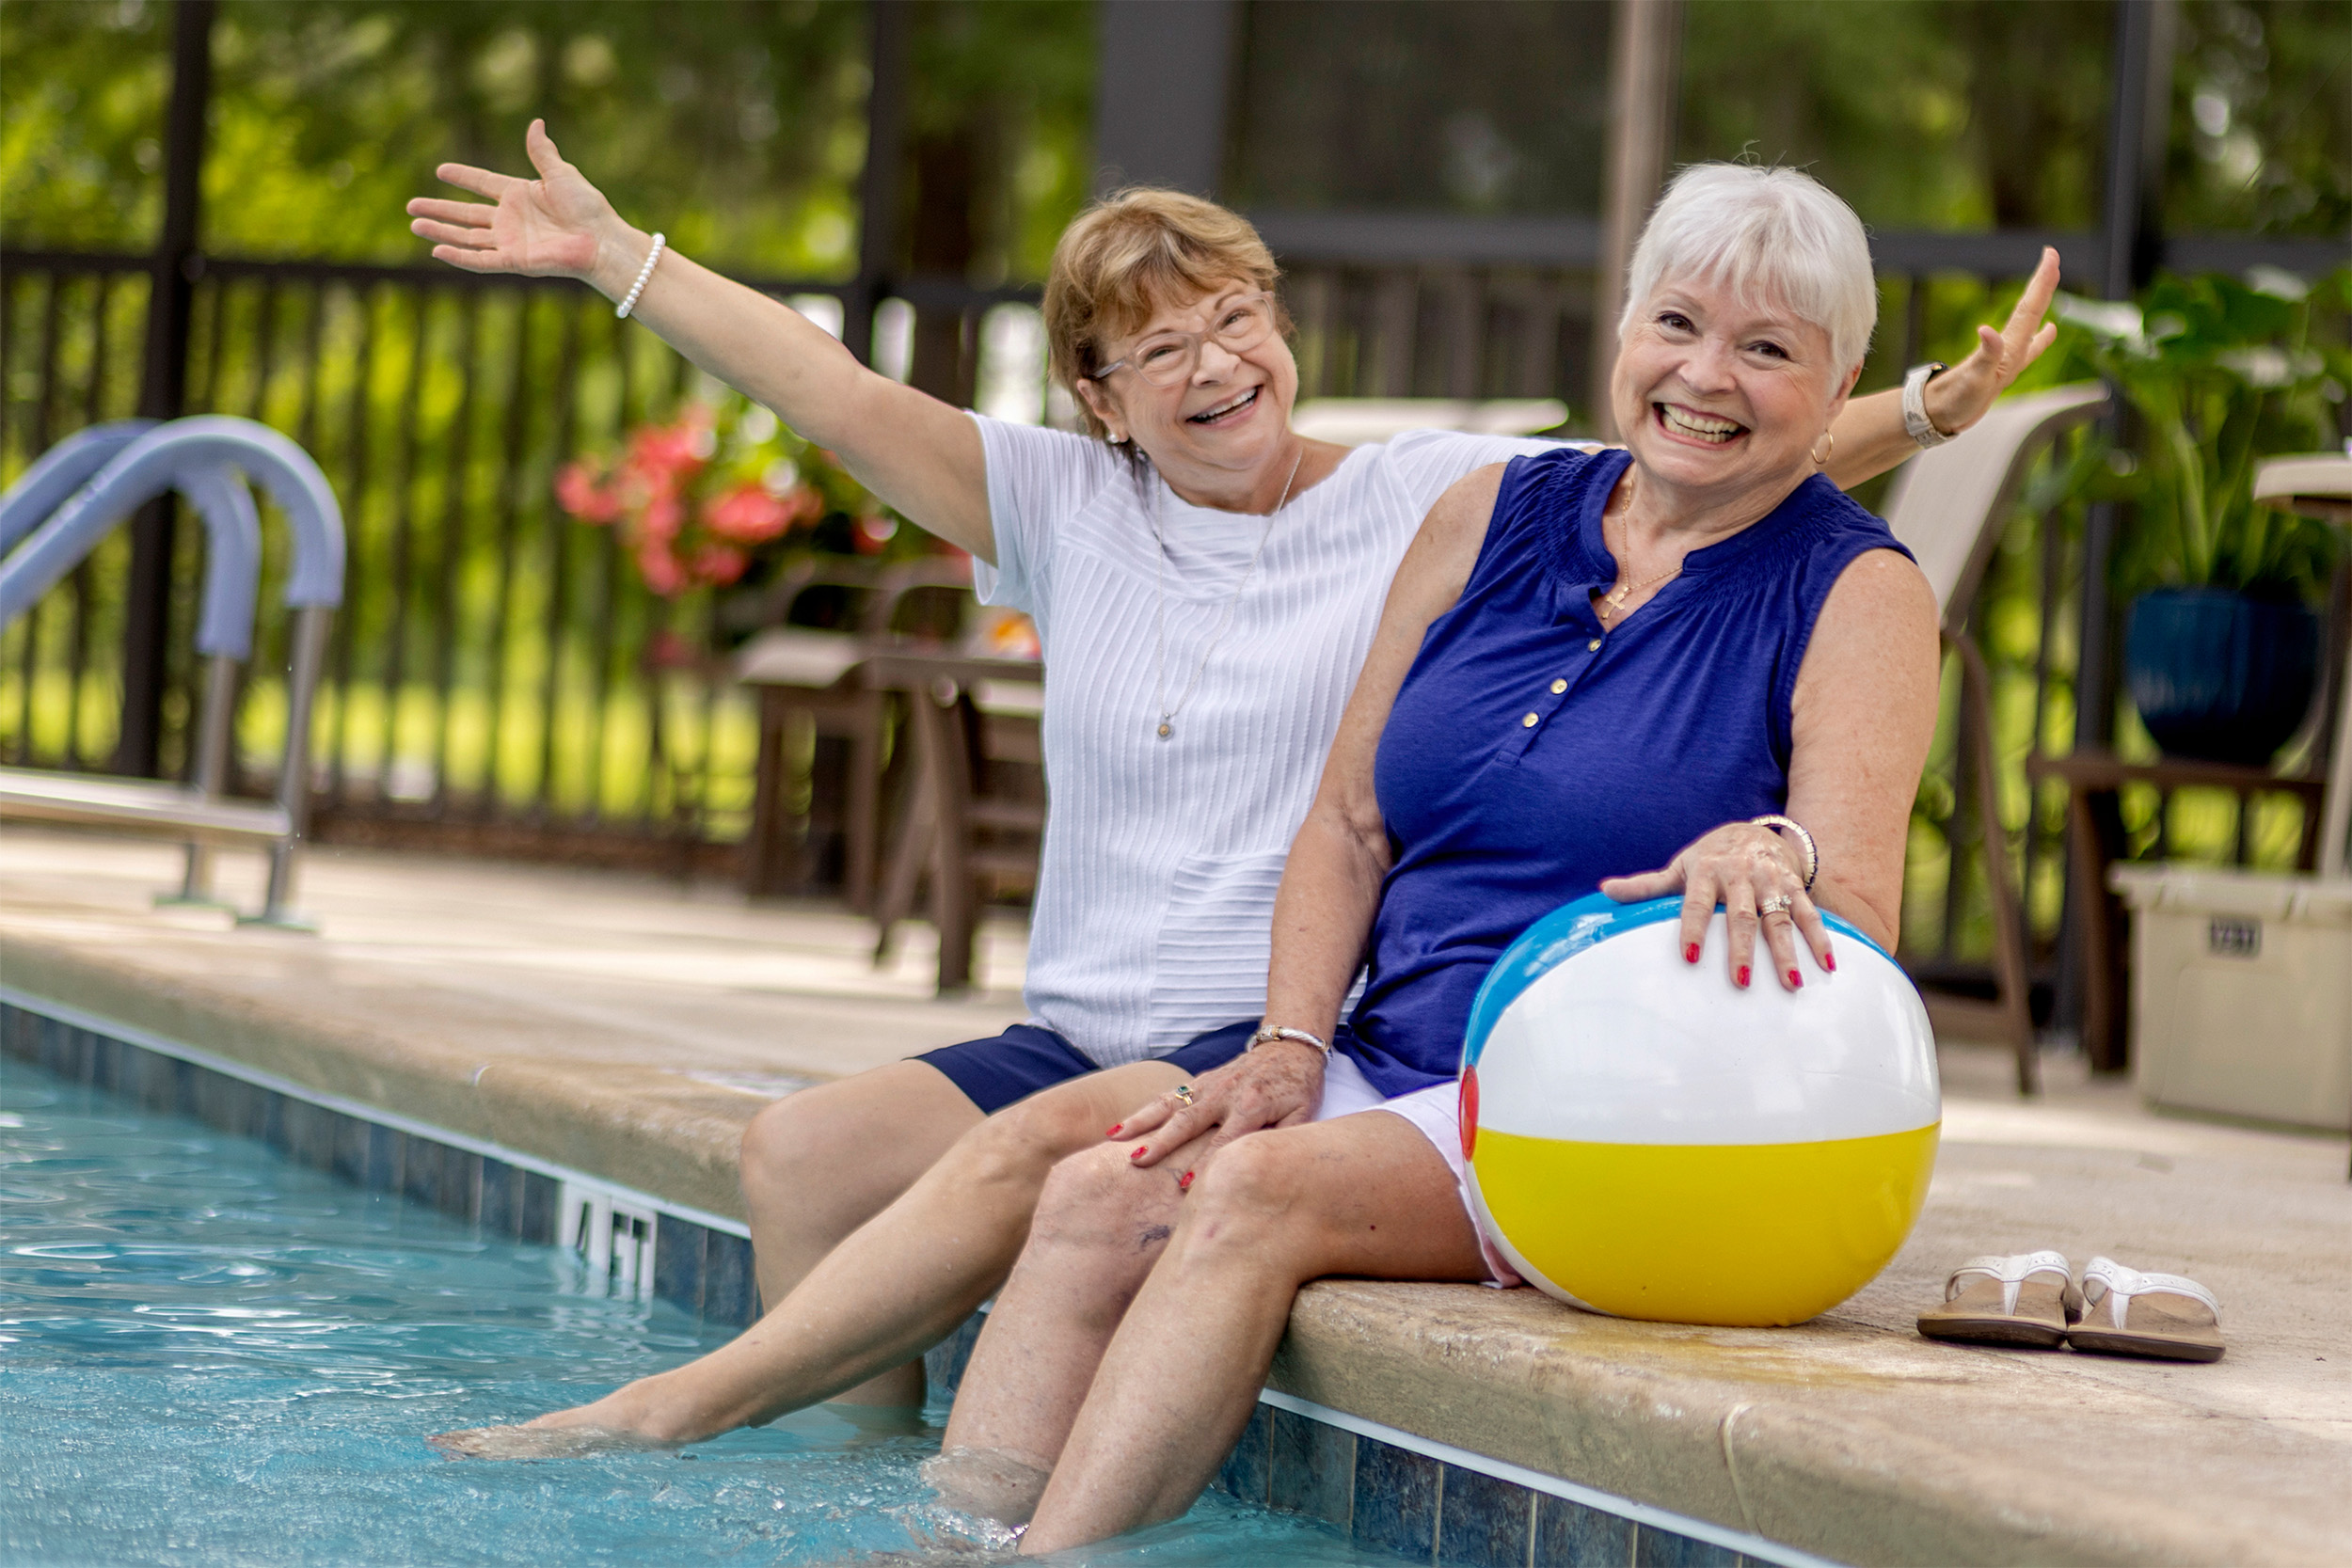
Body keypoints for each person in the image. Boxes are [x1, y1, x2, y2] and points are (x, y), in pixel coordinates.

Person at [408, 125, 2054, 1450]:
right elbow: (831, 394)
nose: (1211, 364)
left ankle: (693, 1422)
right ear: (1099, 400)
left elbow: (1695, 453)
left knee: (1039, 1175)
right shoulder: (1057, 505)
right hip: (1090, 1019)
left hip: (1270, 1022)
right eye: (1156, 349)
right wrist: (622, 262)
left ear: (1278, 328)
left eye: (1234, 319)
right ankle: (867, 1468)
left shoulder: (1426, 493)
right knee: (800, 1157)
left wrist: (1914, 409)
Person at [929, 162, 1947, 1554]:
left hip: (1605, 1102)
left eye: (1768, 349)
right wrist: (1290, 1045)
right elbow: (1350, 821)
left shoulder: (1857, 589)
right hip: (1392, 1053)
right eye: (1677, 324)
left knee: (1251, 1194)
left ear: (1837, 392)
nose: (1706, 376)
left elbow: (1861, 902)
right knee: (1106, 1185)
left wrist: (1773, 844)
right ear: (1625, 330)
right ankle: (952, 1544)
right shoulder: (1487, 514)